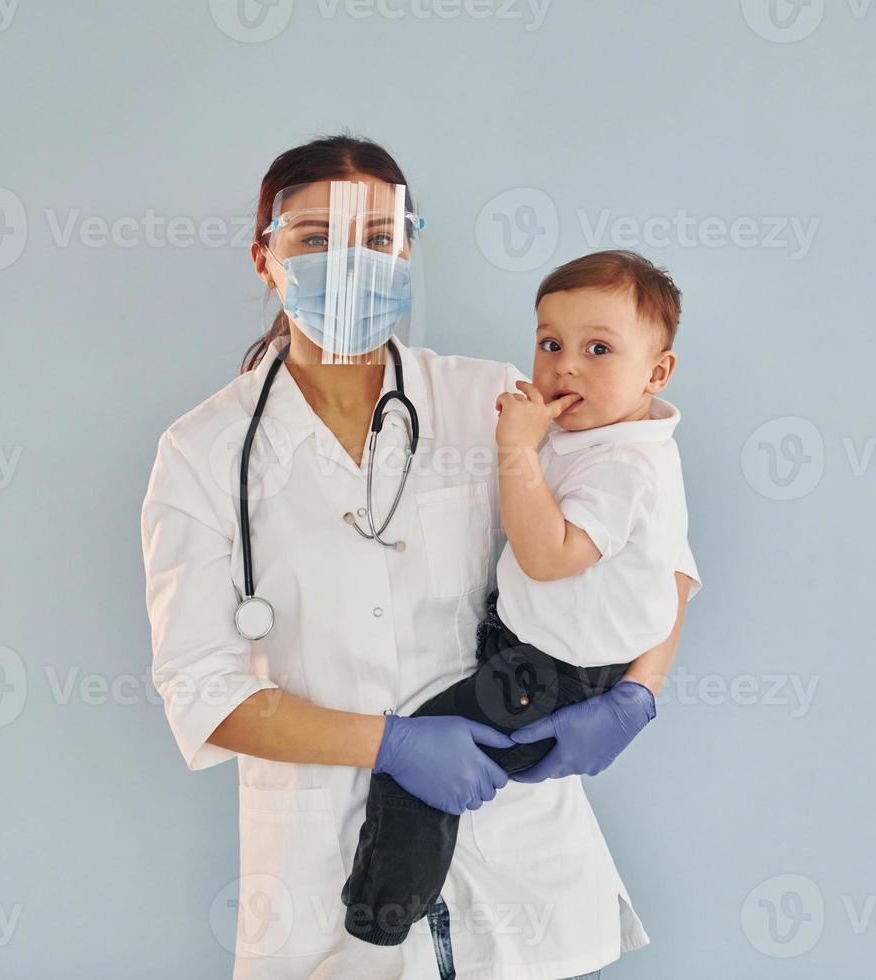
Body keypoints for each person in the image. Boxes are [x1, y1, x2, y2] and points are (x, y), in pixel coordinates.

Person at [139, 135, 699, 980]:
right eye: (317, 239)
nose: (351, 264)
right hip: (323, 879)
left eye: (376, 238)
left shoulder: (496, 401)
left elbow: (654, 547)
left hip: (520, 866)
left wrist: (637, 695)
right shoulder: (202, 453)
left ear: (408, 250)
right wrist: (394, 745)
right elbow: (205, 694)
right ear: (266, 258)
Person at [341, 250, 695, 948]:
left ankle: (379, 915)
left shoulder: (618, 460)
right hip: (527, 654)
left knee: (414, 775)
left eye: (598, 349)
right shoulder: (593, 429)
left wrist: (515, 449)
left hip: (549, 678)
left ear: (656, 374)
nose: (565, 366)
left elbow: (552, 555)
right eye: (549, 343)